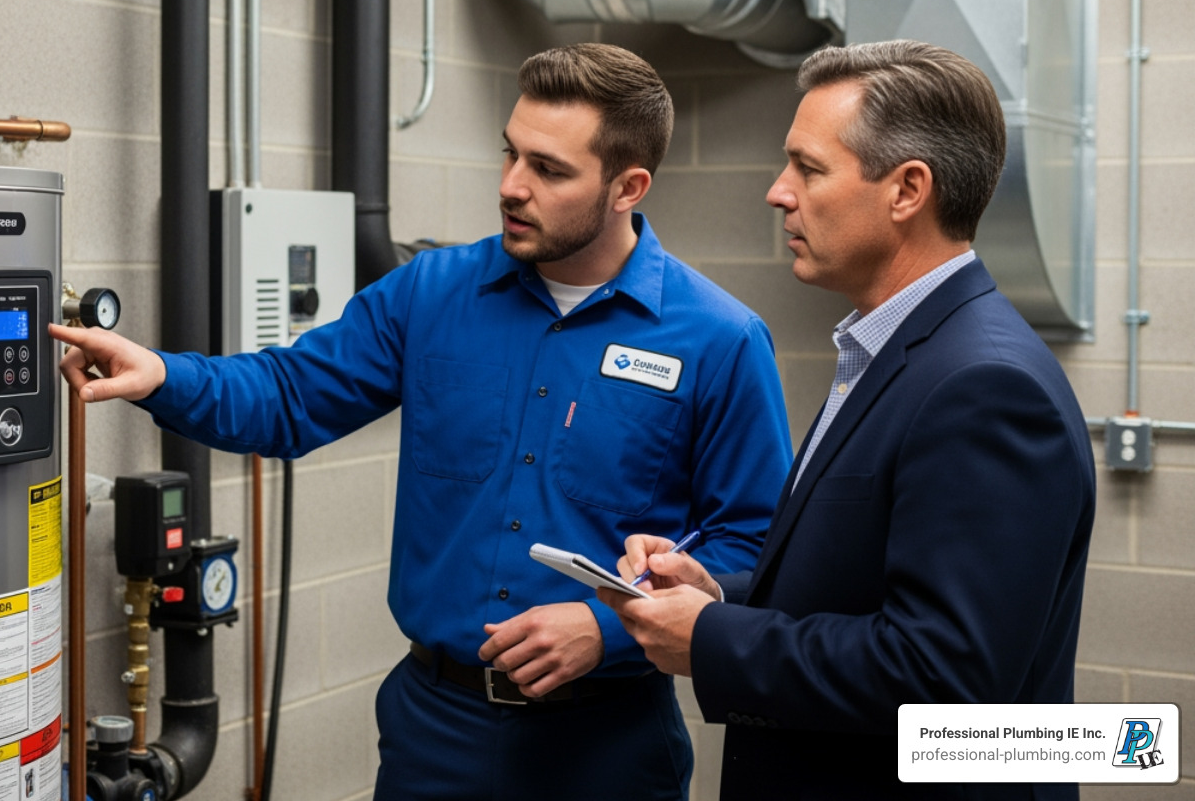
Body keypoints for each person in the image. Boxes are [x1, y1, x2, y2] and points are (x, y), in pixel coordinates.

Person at [50, 43, 793, 801]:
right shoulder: (432, 293)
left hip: (607, 749)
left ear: (628, 186)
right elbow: (287, 396)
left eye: (549, 169)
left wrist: (608, 630)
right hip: (436, 734)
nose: (511, 187)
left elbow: (755, 551)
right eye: (510, 154)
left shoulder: (718, 340)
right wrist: (163, 375)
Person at [599, 40, 1097, 800]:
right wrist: (719, 592)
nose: (777, 192)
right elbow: (858, 588)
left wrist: (709, 638)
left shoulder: (983, 385)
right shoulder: (895, 347)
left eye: (808, 167)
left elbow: (943, 677)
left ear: (907, 191)